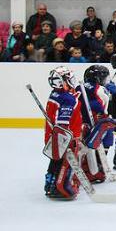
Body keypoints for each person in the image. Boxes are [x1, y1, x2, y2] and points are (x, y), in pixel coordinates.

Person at [43, 66, 83, 199]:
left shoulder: (55, 94)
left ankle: (50, 184)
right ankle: (59, 188)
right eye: (69, 79)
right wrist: (68, 138)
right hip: (64, 137)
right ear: (62, 81)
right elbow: (63, 124)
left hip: (52, 136)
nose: (72, 81)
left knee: (55, 160)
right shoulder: (67, 99)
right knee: (63, 162)